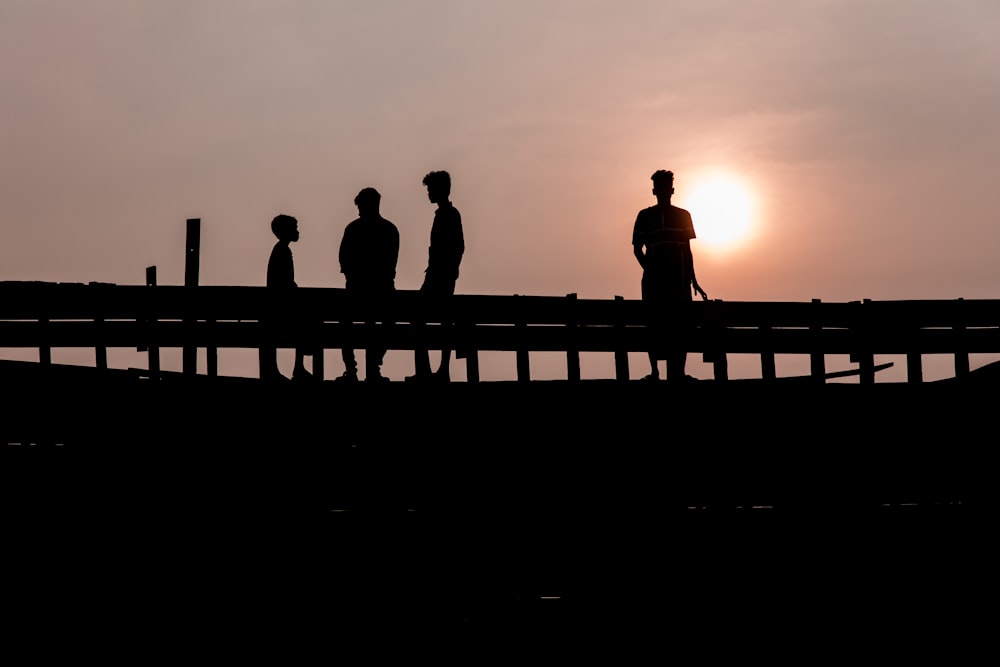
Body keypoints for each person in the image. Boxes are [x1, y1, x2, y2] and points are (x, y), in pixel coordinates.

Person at [632, 169, 708, 381]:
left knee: (680, 326)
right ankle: (655, 372)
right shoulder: (644, 217)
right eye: (660, 187)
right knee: (655, 325)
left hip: (680, 280)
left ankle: (678, 373)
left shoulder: (684, 216)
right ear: (654, 190)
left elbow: (687, 249)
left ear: (671, 189)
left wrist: (692, 278)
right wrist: (650, 270)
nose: (664, 190)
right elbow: (637, 249)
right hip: (654, 283)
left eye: (667, 186)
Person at [406, 170, 465, 383]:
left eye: (430, 189)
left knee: (422, 319)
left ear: (441, 190)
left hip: (439, 276)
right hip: (442, 275)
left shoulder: (448, 215)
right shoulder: (447, 214)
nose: (428, 193)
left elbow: (456, 247)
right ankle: (438, 370)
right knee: (441, 322)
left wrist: (446, 270)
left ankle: (430, 371)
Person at [336, 187, 399, 383]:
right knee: (385, 324)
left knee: (345, 325)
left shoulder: (353, 229)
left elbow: (343, 260)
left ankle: (352, 370)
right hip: (382, 292)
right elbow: (391, 263)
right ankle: (374, 367)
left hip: (357, 291)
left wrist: (353, 276)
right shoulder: (390, 229)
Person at [259, 213, 313, 382]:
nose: (297, 231)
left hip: (276, 309)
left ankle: (292, 368)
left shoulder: (280, 249)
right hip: (280, 310)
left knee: (304, 322)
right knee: (306, 324)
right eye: (294, 228)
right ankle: (298, 368)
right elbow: (284, 281)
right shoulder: (282, 250)